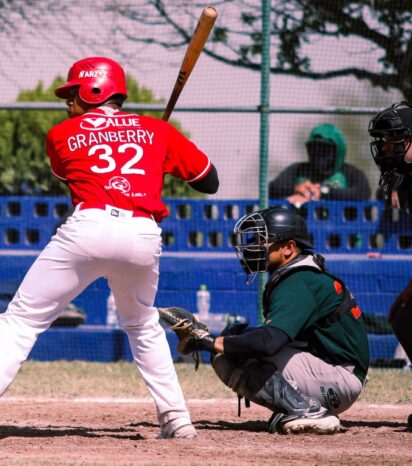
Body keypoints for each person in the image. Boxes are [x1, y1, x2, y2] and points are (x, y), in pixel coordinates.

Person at [0, 56, 219, 441]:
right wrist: (160, 146)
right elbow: (208, 181)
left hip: (89, 227)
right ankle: (177, 419)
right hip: (143, 234)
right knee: (143, 324)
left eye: (72, 94)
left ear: (92, 90)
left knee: (21, 320)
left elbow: (78, 173)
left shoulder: (62, 135)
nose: (68, 103)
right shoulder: (157, 130)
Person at [167, 207, 369, 435]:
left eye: (262, 240)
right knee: (237, 338)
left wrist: (208, 342)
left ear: (288, 248)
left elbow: (269, 342)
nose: (253, 246)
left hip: (339, 379)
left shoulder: (300, 280)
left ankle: (308, 411)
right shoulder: (301, 273)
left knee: (230, 352)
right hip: (332, 371)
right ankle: (303, 407)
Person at [367, 102, 412, 429]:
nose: (386, 149)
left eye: (394, 140)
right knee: (404, 316)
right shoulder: (406, 181)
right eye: (382, 141)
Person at [269, 124, 371, 207]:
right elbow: (271, 189)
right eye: (315, 149)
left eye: (326, 151)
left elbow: (363, 192)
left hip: (343, 230)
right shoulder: (298, 170)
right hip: (304, 229)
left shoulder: (349, 172)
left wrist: (322, 192)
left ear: (338, 152)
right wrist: (297, 189)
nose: (320, 155)